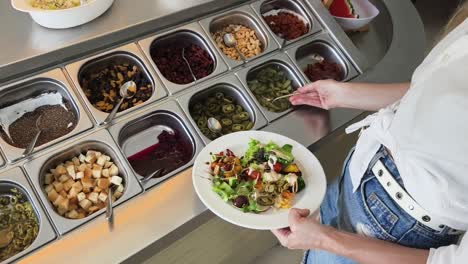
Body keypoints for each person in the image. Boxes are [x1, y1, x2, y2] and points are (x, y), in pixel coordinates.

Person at [271, 3, 468, 264]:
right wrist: (344, 95)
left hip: (399, 228)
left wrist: (323, 239)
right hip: (364, 166)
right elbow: (432, 94)